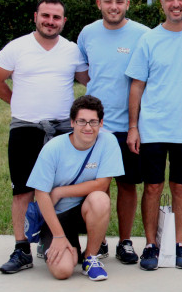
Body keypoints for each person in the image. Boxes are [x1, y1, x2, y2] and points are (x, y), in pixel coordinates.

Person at [0, 0, 89, 274]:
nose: (50, 21)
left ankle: (58, 238)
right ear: (35, 16)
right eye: (46, 16)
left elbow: (90, 82)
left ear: (64, 21)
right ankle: (21, 249)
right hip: (25, 127)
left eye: (56, 17)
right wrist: (17, 103)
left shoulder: (72, 51)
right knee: (23, 190)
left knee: (62, 190)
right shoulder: (17, 47)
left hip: (63, 130)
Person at [125, 0, 182, 271]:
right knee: (152, 186)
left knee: (180, 187)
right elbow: (136, 85)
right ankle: (151, 244)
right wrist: (133, 127)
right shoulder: (148, 39)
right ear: (162, 3)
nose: (176, 4)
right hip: (152, 127)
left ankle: (177, 243)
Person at [78, 0, 151, 265]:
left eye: (119, 2)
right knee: (97, 187)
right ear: (99, 4)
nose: (113, 7)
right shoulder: (87, 33)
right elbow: (84, 74)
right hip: (93, 129)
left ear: (128, 5)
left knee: (128, 185)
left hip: (129, 126)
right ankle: (98, 242)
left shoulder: (142, 35)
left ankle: (125, 241)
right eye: (108, 1)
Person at [26, 95, 123, 281]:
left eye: (93, 122)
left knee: (100, 198)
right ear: (72, 122)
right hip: (56, 217)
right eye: (82, 121)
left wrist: (60, 191)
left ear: (101, 123)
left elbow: (102, 184)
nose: (88, 127)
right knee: (63, 271)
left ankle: (90, 258)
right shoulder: (53, 148)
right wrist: (59, 236)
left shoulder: (108, 142)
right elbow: (41, 194)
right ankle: (60, 245)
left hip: (84, 211)